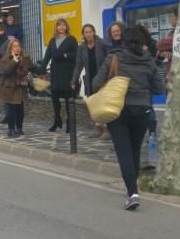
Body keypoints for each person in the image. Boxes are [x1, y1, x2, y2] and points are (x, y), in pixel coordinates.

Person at [93, 26, 164, 211]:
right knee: (134, 150)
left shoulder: (114, 58)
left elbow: (95, 83)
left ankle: (132, 192)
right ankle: (133, 188)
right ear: (143, 42)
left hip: (119, 110)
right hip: (142, 110)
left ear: (123, 41)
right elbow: (158, 88)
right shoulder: (149, 61)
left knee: (123, 152)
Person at [39, 19, 78, 133]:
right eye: (59, 25)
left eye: (63, 25)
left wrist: (65, 55)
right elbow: (46, 57)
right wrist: (42, 71)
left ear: (66, 27)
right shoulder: (52, 41)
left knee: (68, 100)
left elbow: (76, 55)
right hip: (55, 73)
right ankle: (57, 121)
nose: (61, 27)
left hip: (67, 73)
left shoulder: (71, 40)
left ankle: (70, 124)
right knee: (55, 99)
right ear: (56, 28)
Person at [71, 24, 110, 138]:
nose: (88, 34)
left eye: (90, 31)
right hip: (90, 79)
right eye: (86, 32)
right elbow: (78, 65)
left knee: (104, 103)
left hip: (103, 78)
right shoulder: (81, 47)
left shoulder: (102, 44)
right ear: (83, 34)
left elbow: (109, 59)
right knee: (93, 103)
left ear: (94, 32)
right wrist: (74, 80)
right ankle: (98, 127)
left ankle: (107, 128)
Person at [0, 39, 34, 138]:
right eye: (14, 46)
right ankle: (11, 129)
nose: (17, 48)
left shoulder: (25, 58)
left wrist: (41, 73)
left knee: (20, 110)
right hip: (10, 87)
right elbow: (6, 71)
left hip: (21, 87)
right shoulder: (5, 59)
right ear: (10, 48)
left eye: (18, 46)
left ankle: (19, 128)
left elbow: (32, 68)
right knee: (11, 110)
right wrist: (14, 60)